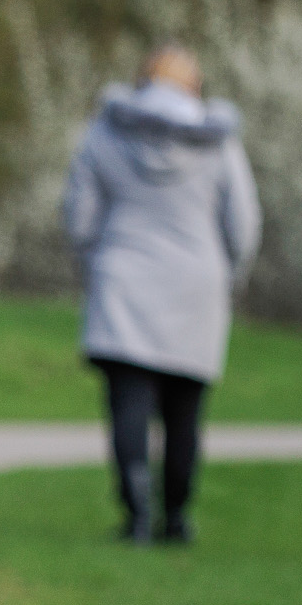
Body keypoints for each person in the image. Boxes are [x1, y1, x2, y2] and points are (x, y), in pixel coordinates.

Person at [62, 43, 260, 543]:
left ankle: (136, 518)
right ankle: (176, 518)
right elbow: (242, 225)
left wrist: (99, 258)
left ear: (141, 79)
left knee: (128, 404)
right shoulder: (219, 144)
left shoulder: (106, 131)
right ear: (195, 87)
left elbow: (78, 217)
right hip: (196, 285)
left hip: (123, 281)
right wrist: (225, 272)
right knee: (184, 414)